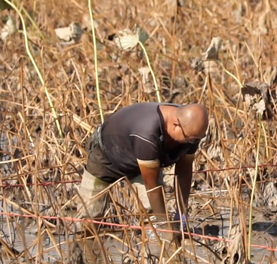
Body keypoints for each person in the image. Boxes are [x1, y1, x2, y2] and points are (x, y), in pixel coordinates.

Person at [75, 102, 208, 244]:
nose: (193, 143)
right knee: (87, 222)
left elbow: (184, 171)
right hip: (107, 155)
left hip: (140, 165)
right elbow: (152, 187)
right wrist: (165, 226)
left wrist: (181, 215)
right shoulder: (147, 132)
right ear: (175, 125)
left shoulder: (191, 129)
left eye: (196, 140)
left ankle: (156, 256)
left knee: (152, 218)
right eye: (191, 140)